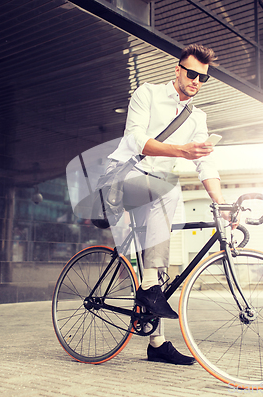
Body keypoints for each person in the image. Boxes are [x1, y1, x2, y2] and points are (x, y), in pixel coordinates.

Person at [106, 44, 230, 365]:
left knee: (158, 266)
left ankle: (156, 341)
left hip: (155, 188)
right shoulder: (147, 93)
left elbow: (206, 164)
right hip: (124, 176)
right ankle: (148, 285)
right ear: (177, 70)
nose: (196, 82)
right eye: (191, 74)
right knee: (170, 190)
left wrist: (223, 204)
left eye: (203, 78)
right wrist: (180, 152)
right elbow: (136, 140)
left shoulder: (197, 117)